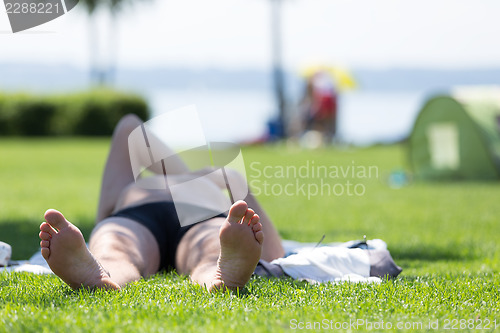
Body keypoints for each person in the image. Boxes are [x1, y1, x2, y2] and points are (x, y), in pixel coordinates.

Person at [38, 114, 285, 291]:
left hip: (134, 215)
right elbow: (273, 252)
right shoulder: (219, 181)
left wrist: (200, 175)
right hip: (202, 212)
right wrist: (222, 177)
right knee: (212, 249)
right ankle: (216, 276)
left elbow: (129, 127)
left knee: (114, 248)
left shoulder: (127, 191)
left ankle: (105, 272)